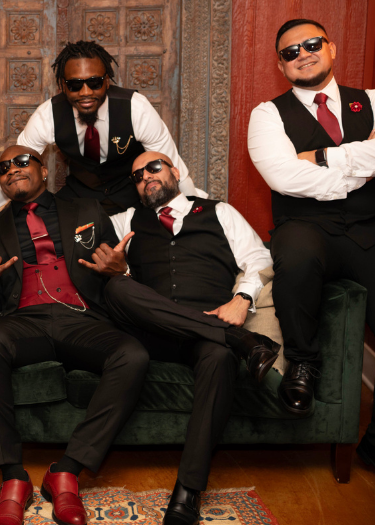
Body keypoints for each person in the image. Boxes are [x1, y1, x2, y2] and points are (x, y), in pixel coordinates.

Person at [247, 18, 375, 500]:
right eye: (290, 51)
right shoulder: (267, 114)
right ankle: (303, 363)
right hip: (304, 227)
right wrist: (362, 166)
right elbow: (283, 178)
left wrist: (321, 157)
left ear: (332, 48)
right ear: (281, 65)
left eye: (311, 44)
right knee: (297, 258)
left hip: (366, 232)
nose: (302, 53)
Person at [0, 145, 149, 525]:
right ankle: (13, 476)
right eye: (3, 167)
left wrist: (122, 268)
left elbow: (117, 269)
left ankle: (67, 470)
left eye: (22, 161)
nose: (12, 170)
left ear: (45, 170)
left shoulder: (87, 210)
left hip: (81, 317)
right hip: (23, 319)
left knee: (133, 355)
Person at [93, 151, 280, 525]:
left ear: (175, 172)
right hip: (153, 332)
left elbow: (259, 259)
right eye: (137, 176)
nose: (146, 177)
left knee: (220, 358)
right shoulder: (125, 220)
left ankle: (188, 491)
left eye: (154, 167)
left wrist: (242, 298)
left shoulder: (220, 212)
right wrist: (119, 269)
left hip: (207, 333)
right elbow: (78, 232)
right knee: (117, 288)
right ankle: (239, 340)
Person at [0, 40, 206, 223]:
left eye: (94, 83)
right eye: (75, 85)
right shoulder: (48, 115)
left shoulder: (136, 108)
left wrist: (195, 214)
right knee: (40, 224)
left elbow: (172, 166)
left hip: (132, 194)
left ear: (107, 81)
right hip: (81, 196)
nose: (85, 92)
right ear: (63, 86)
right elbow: (15, 167)